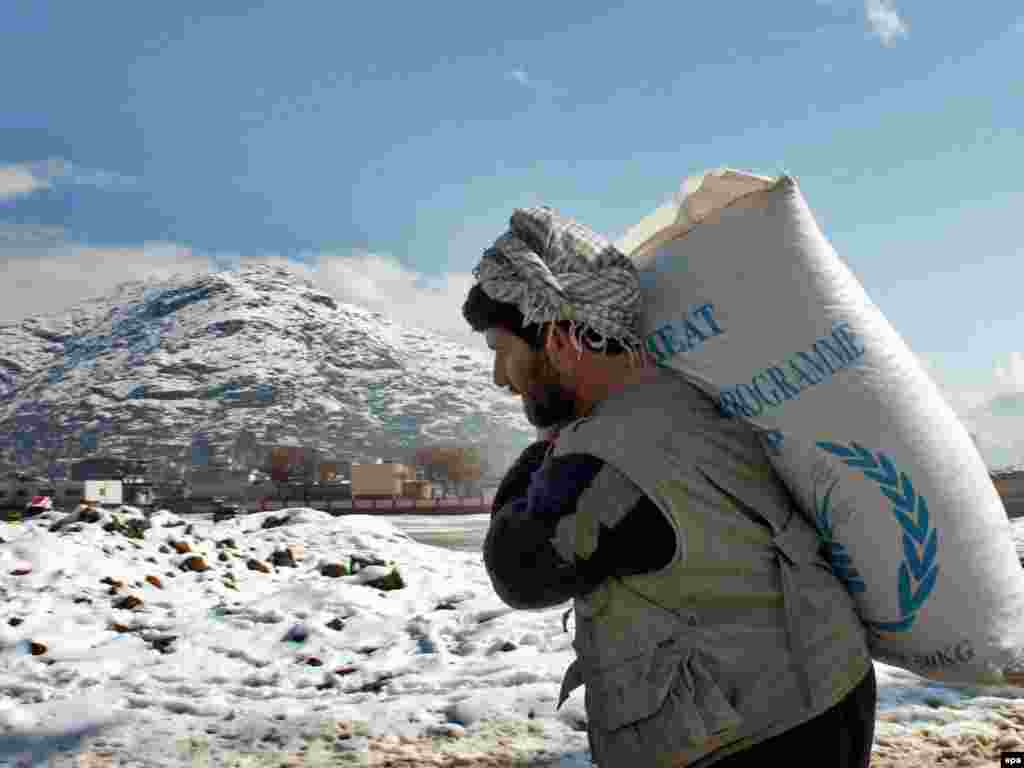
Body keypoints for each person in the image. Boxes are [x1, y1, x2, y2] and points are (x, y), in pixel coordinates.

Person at [462, 206, 877, 768]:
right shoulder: (677, 395)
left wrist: (541, 450)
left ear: (559, 339)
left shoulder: (603, 459)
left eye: (501, 350)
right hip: (822, 694)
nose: (498, 377)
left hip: (758, 735)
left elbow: (521, 571)